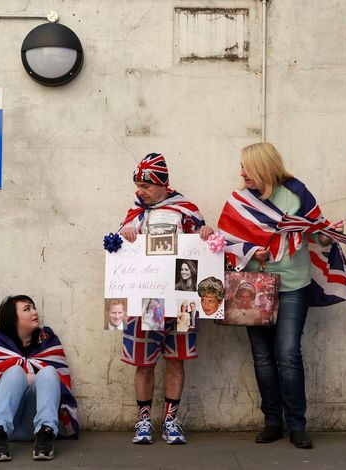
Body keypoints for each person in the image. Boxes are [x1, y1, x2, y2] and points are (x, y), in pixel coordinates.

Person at [218, 142, 346, 449]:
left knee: (288, 354)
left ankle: (297, 425)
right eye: (242, 168)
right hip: (252, 287)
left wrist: (329, 232)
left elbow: (315, 231)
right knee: (263, 357)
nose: (242, 173)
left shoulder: (296, 193)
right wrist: (254, 249)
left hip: (294, 283)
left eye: (247, 168)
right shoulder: (238, 201)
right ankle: (272, 422)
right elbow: (225, 241)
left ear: (263, 168)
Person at [116, 152, 213, 445]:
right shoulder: (136, 212)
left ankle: (171, 420)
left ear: (162, 185)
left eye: (145, 186)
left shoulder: (186, 210)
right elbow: (120, 241)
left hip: (181, 301)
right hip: (148, 302)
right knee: (144, 363)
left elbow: (201, 242)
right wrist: (126, 233)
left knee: (176, 359)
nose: (140, 191)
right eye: (137, 185)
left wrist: (206, 232)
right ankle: (143, 422)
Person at [0, 295, 79, 461]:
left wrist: (30, 377)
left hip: (29, 428)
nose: (34, 312)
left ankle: (45, 434)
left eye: (33, 307)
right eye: (27, 309)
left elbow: (59, 382)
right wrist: (26, 375)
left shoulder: (48, 341)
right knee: (15, 372)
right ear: (14, 320)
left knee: (49, 372)